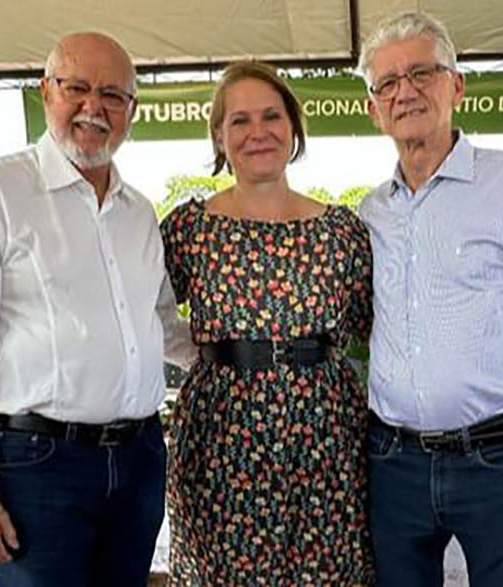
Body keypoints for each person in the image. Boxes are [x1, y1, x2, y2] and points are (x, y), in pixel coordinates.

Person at [0, 32, 196, 587]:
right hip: (37, 468)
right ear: (46, 92)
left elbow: (161, 323)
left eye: (114, 95)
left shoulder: (139, 211)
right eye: (78, 88)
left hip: (138, 460)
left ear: (131, 112)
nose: (95, 107)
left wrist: (245, 364)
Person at [357, 12, 503, 586]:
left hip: (498, 461)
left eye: (422, 72)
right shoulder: (370, 214)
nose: (406, 91)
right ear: (372, 107)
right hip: (394, 463)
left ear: (456, 85)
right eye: (387, 83)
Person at [160, 61, 374, 585]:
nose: (258, 132)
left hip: (325, 439)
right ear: (218, 135)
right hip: (220, 440)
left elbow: (372, 329)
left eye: (271, 116)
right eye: (240, 120)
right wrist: (213, 359)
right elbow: (144, 318)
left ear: (293, 128)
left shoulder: (341, 232)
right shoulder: (190, 229)